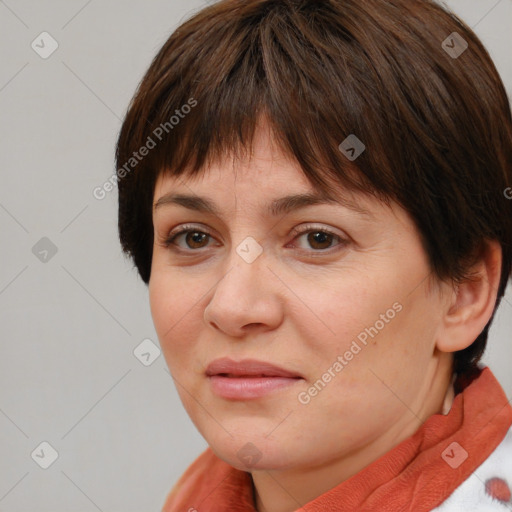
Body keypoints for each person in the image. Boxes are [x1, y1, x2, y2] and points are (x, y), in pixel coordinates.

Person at [115, 0, 512, 510]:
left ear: (464, 292)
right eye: (194, 237)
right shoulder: (195, 497)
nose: (232, 307)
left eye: (317, 239)